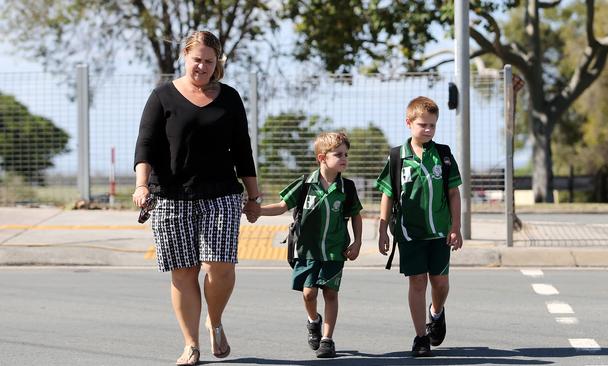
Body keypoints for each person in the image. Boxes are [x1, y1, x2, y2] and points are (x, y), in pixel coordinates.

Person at [132, 30, 261, 366]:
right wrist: (142, 185)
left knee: (221, 268)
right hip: (171, 196)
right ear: (184, 57)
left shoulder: (230, 98)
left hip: (221, 194)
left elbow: (242, 150)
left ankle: (214, 320)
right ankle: (191, 344)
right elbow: (145, 144)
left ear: (217, 62)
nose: (202, 66)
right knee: (183, 271)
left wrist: (254, 195)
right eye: (196, 59)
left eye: (209, 61)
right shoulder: (162, 96)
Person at [251, 132, 363, 358]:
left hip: (334, 251)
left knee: (331, 294)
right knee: (309, 294)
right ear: (322, 158)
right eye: (338, 154)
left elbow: (356, 215)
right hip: (307, 250)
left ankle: (327, 339)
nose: (344, 158)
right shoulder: (304, 184)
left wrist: (357, 241)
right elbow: (282, 206)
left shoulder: (347, 188)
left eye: (346, 154)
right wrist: (259, 211)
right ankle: (314, 320)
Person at [375, 96, 462, 357]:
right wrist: (381, 231)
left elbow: (454, 194)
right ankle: (420, 337)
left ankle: (436, 312)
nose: (428, 130)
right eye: (423, 125)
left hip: (439, 233)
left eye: (432, 125)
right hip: (409, 233)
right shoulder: (397, 157)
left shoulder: (443, 155)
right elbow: (388, 194)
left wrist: (456, 226)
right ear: (409, 123)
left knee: (440, 282)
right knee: (417, 282)